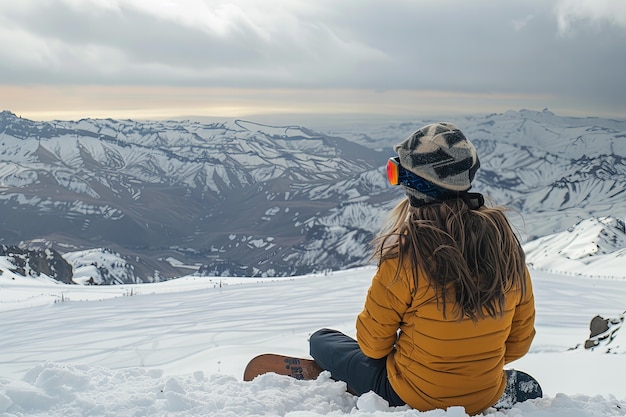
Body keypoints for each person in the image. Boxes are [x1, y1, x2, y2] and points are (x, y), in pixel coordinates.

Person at [309, 122, 536, 415]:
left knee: (321, 340)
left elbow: (373, 345)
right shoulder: (506, 248)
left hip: (413, 396)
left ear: (414, 184)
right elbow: (518, 344)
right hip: (484, 395)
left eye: (397, 173)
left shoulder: (406, 254)